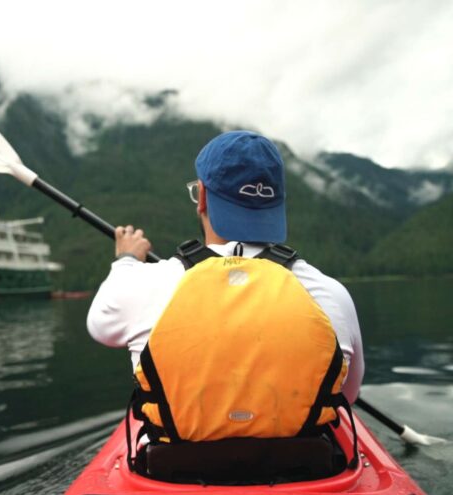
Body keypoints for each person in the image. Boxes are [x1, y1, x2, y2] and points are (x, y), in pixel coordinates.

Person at [87, 130, 364, 448]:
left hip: (172, 470)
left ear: (202, 197)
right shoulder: (332, 293)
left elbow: (100, 328)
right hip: (308, 467)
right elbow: (349, 394)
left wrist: (125, 261)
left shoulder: (142, 284)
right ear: (278, 202)